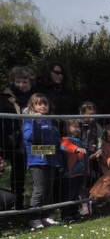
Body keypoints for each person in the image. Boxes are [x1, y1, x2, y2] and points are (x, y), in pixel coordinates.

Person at [22, 94, 61, 229]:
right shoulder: (29, 120)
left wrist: (57, 158)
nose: (43, 106)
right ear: (32, 106)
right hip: (37, 161)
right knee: (39, 189)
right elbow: (29, 137)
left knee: (49, 189)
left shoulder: (50, 120)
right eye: (39, 104)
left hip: (51, 160)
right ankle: (34, 217)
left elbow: (54, 141)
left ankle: (45, 215)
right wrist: (35, 123)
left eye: (45, 104)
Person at [1, 66, 36, 208]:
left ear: (30, 83)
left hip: (23, 141)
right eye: (18, 81)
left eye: (24, 82)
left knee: (19, 174)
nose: (21, 85)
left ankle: (18, 203)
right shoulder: (4, 97)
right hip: (5, 139)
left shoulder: (34, 99)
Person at [59, 119, 87, 223]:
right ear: (67, 128)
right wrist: (76, 149)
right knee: (68, 195)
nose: (78, 129)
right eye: (75, 127)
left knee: (76, 194)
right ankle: (66, 215)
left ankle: (75, 213)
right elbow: (67, 147)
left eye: (78, 127)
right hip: (69, 173)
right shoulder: (65, 140)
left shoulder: (79, 140)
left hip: (79, 172)